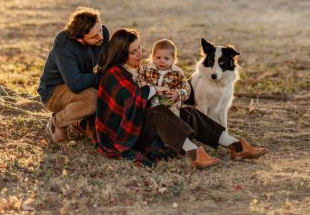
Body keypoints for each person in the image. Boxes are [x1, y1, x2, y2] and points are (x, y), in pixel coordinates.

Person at [94, 28, 268, 168]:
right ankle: (194, 153)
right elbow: (134, 99)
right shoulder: (113, 74)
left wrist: (175, 93)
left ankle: (236, 145)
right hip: (128, 133)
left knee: (189, 112)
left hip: (145, 121)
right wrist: (155, 89)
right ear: (121, 53)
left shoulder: (142, 69)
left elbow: (171, 86)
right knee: (159, 112)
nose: (139, 54)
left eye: (139, 48)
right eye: (133, 52)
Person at [37, 6, 109, 146]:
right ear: (80, 39)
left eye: (100, 30)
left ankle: (81, 123)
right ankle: (56, 123)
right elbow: (75, 84)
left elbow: (105, 64)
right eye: (94, 36)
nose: (101, 37)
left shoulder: (103, 34)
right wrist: (100, 77)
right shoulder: (64, 44)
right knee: (93, 98)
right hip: (53, 92)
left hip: (80, 85)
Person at [137, 39, 190, 116]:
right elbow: (139, 80)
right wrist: (153, 89)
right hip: (150, 105)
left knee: (174, 118)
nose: (162, 61)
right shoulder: (146, 69)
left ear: (173, 59)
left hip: (170, 106)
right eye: (158, 57)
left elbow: (186, 88)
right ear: (152, 57)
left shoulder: (177, 72)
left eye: (166, 58)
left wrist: (178, 94)